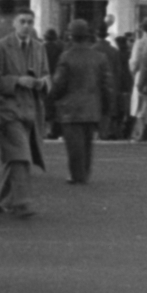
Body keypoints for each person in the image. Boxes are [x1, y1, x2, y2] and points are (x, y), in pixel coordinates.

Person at [0, 8, 48, 218]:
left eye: (30, 22)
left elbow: (47, 75)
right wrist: (17, 81)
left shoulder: (39, 48)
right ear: (14, 23)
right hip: (8, 110)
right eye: (22, 21)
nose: (26, 26)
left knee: (15, 157)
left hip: (32, 110)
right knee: (22, 154)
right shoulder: (0, 47)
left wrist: (42, 83)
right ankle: (22, 203)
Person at [49, 19, 112, 184]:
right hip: (91, 105)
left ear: (71, 36)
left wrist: (52, 97)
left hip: (70, 106)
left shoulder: (66, 57)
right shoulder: (100, 57)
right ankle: (84, 171)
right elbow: (107, 85)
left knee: (73, 144)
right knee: (87, 142)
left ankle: (77, 174)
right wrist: (107, 106)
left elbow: (59, 83)